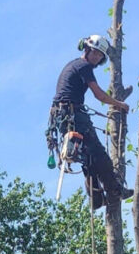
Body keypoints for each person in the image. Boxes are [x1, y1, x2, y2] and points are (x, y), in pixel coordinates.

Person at [49, 34, 132, 210]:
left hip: (65, 116)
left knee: (89, 159)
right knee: (99, 154)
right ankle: (116, 191)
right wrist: (119, 104)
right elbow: (99, 95)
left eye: (100, 56)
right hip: (73, 115)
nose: (96, 58)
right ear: (86, 49)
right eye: (94, 53)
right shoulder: (83, 66)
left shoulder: (73, 65)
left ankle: (96, 198)